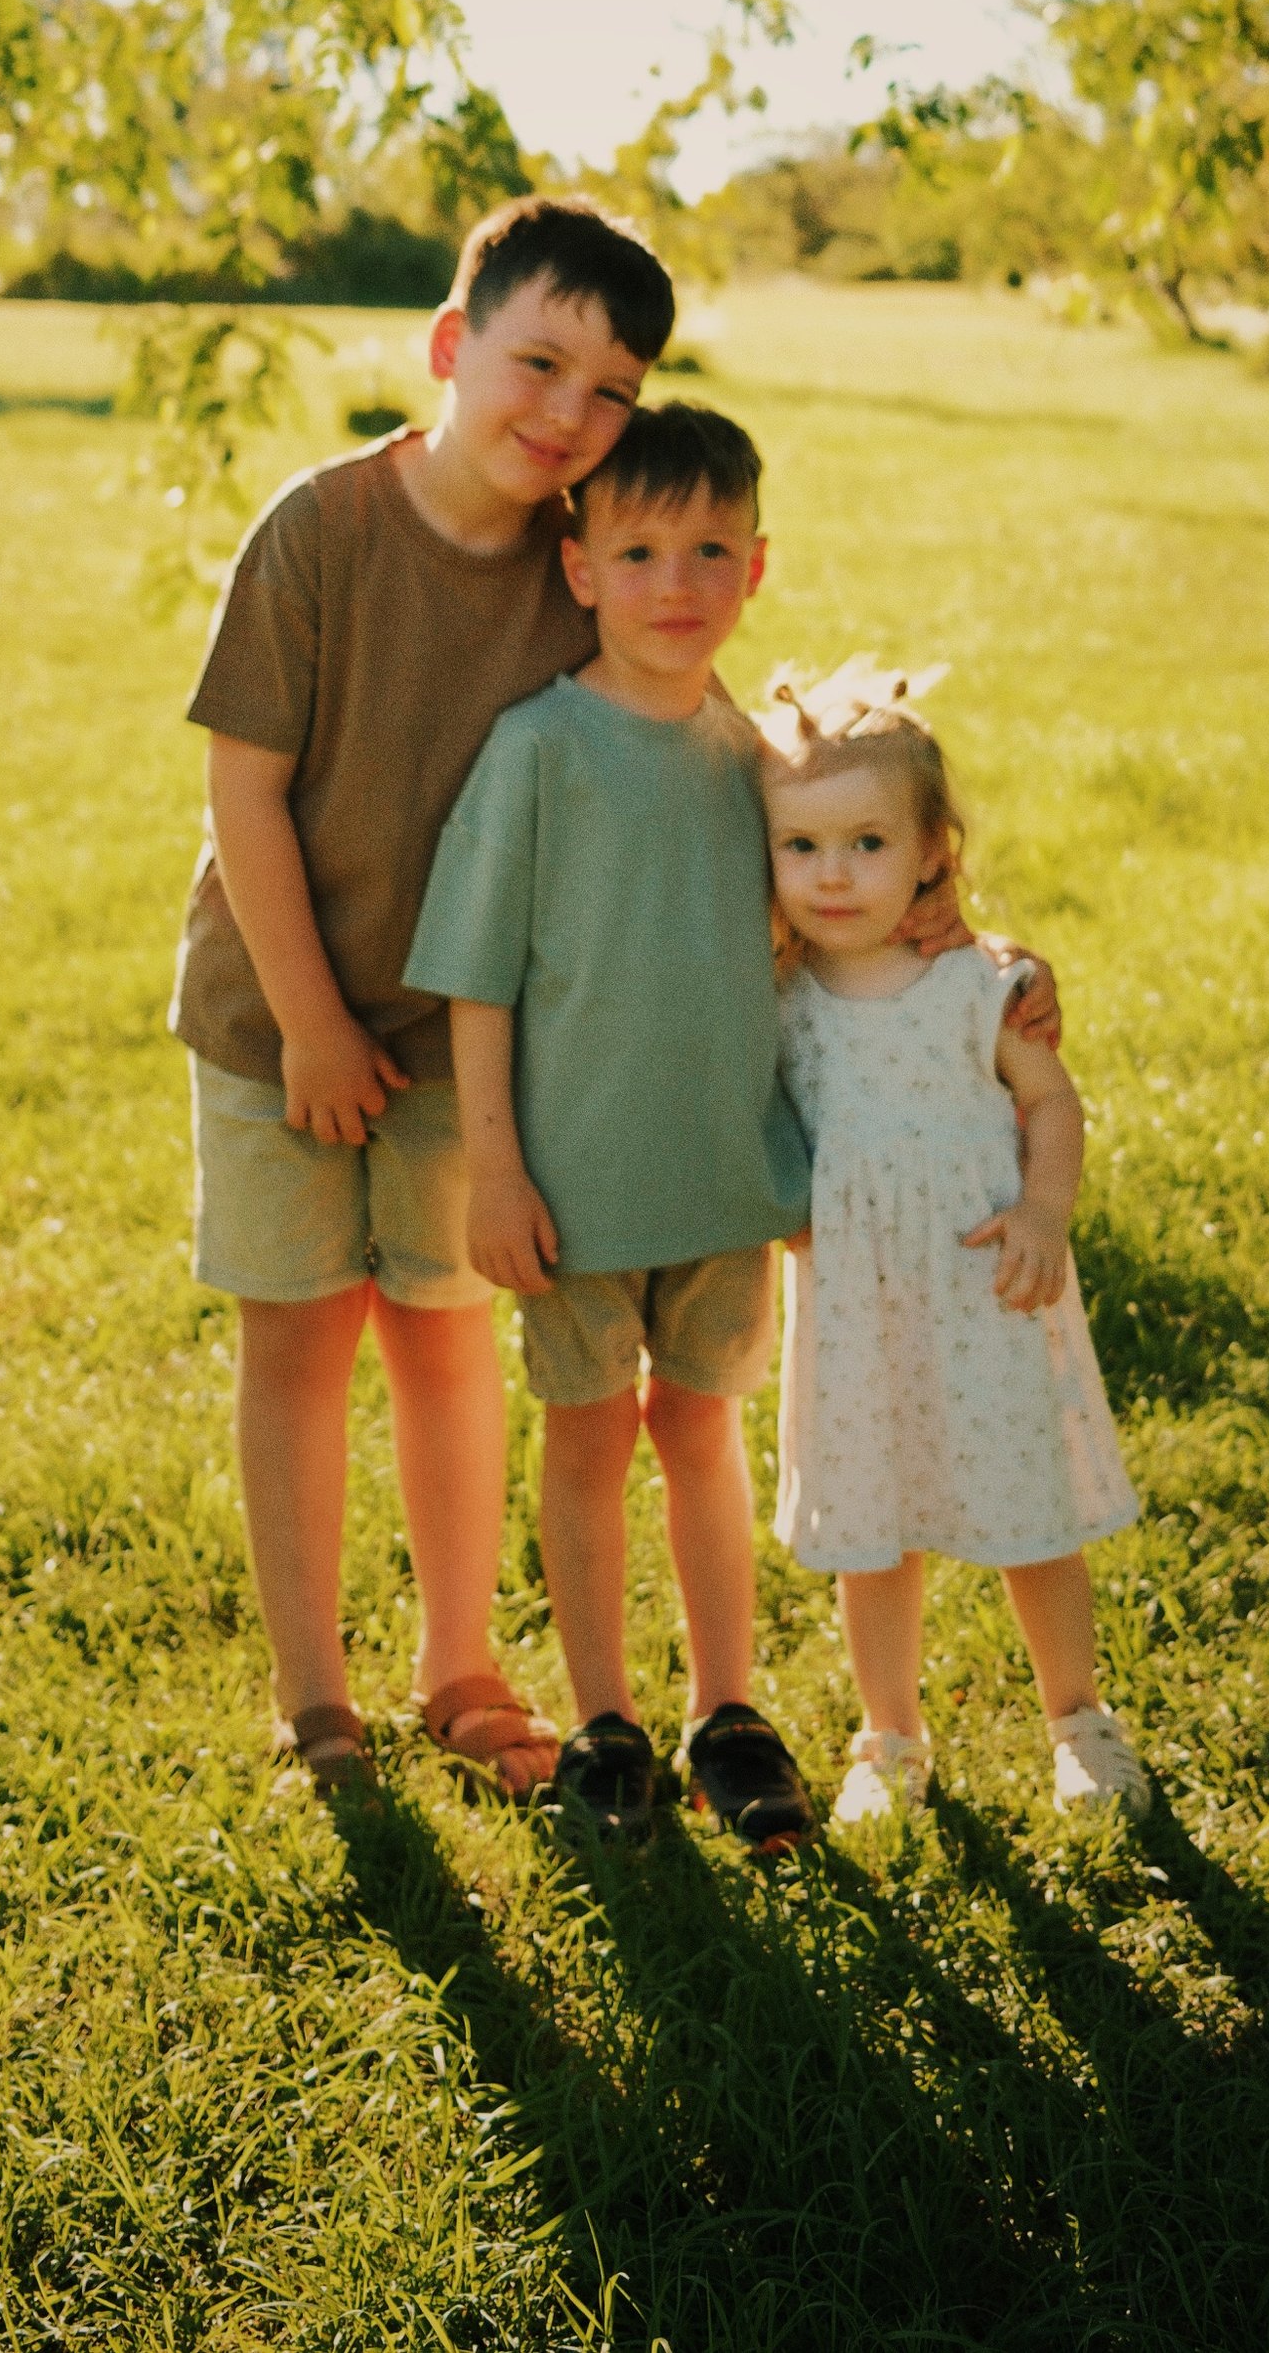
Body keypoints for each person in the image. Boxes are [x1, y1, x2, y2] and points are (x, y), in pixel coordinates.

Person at [173, 195, 677, 1800]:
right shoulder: (318, 531)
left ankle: (457, 1660)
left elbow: (676, 731)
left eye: (612, 392)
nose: (568, 414)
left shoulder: (579, 570)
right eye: (538, 362)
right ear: (454, 347)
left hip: (468, 1038)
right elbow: (243, 795)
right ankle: (314, 1696)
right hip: (278, 1021)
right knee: (300, 1338)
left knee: (448, 1339)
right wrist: (314, 1023)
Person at [404, 402, 815, 1852]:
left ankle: (728, 1711)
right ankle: (605, 1723)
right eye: (638, 549)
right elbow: (479, 977)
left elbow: (845, 911)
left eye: (710, 548)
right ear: (578, 568)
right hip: (572, 1189)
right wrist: (498, 1168)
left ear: (756, 567)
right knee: (586, 1442)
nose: (676, 580)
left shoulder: (764, 760)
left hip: (720, 1177)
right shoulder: (538, 750)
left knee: (700, 1430)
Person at [759, 663, 1149, 1827]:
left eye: (869, 843)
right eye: (802, 846)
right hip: (857, 1311)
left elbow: (1052, 1102)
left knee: (1028, 1509)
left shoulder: (974, 987)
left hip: (984, 1286)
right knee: (872, 1528)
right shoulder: (778, 995)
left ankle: (1078, 1721)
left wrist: (1044, 1213)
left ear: (933, 851)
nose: (835, 874)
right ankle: (888, 1739)